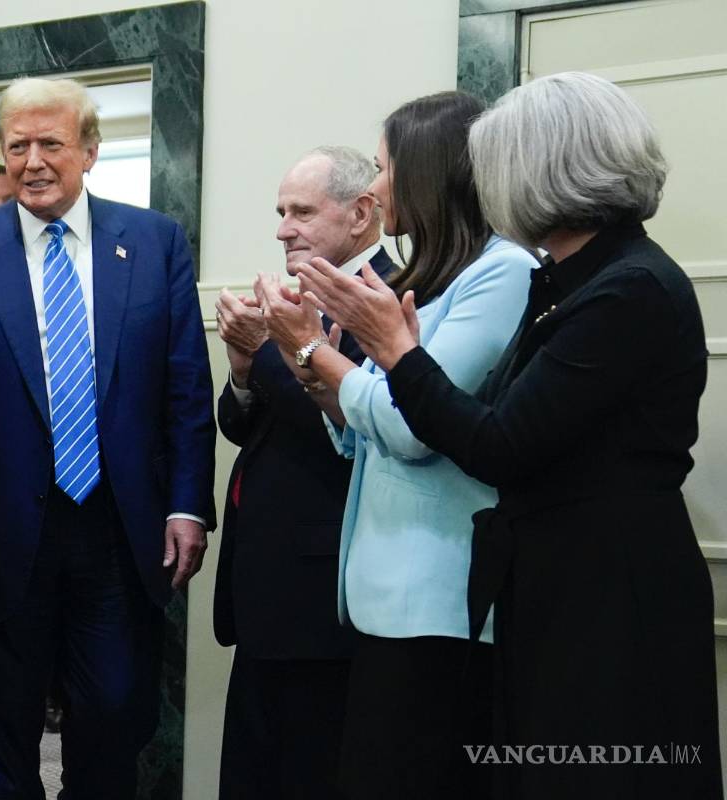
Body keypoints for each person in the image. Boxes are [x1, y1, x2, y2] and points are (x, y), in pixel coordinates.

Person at [306, 71, 721, 800]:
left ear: (543, 171)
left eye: (497, 165)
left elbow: (500, 444)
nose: (486, 186)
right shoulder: (565, 281)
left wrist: (395, 354)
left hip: (610, 597)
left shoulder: (630, 289)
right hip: (553, 587)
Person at [0, 76, 216, 800]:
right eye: (17, 146)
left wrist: (187, 506)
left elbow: (184, 389)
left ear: (90, 152)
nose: (33, 161)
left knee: (114, 714)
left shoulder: (153, 241)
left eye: (51, 143)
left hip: (117, 533)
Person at [257, 91, 537, 799]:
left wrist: (313, 351)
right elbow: (363, 432)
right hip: (385, 589)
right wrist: (310, 354)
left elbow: (414, 428)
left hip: (440, 590)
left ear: (430, 171)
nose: (377, 188)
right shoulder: (426, 275)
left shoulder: (502, 271)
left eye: (384, 168)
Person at [212, 145, 395, 799]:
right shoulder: (302, 295)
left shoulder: (389, 296)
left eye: (301, 211)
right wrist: (241, 371)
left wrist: (265, 353)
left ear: (360, 214)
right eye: (280, 212)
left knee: (311, 772)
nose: (283, 227)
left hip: (323, 596)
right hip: (265, 587)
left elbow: (350, 428)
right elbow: (245, 427)